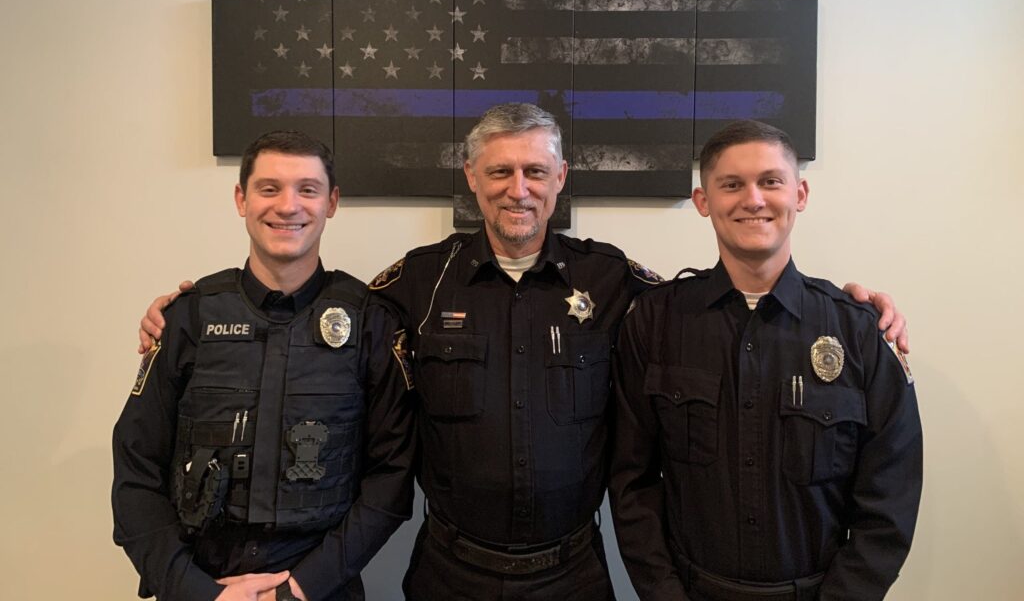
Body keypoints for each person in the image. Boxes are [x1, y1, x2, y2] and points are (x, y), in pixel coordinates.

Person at [137, 105, 909, 601]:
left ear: (560, 178)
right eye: (500, 171)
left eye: (536, 171)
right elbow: (316, 317)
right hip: (449, 572)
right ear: (472, 179)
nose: (519, 189)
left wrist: (854, 309)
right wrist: (192, 308)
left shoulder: (616, 283)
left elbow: (719, 305)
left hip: (572, 572)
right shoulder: (414, 284)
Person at [609, 120, 922, 601]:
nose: (753, 199)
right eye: (732, 184)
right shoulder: (655, 323)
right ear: (703, 201)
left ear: (800, 194)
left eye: (770, 181)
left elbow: (890, 500)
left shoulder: (860, 331)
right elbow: (632, 482)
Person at [113, 130, 415, 601]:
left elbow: (391, 480)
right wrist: (198, 591)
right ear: (242, 199)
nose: (288, 206)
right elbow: (136, 473)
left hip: (320, 587)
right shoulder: (188, 319)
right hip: (200, 580)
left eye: (308, 189)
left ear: (332, 202)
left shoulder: (371, 323)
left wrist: (296, 590)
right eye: (269, 188)